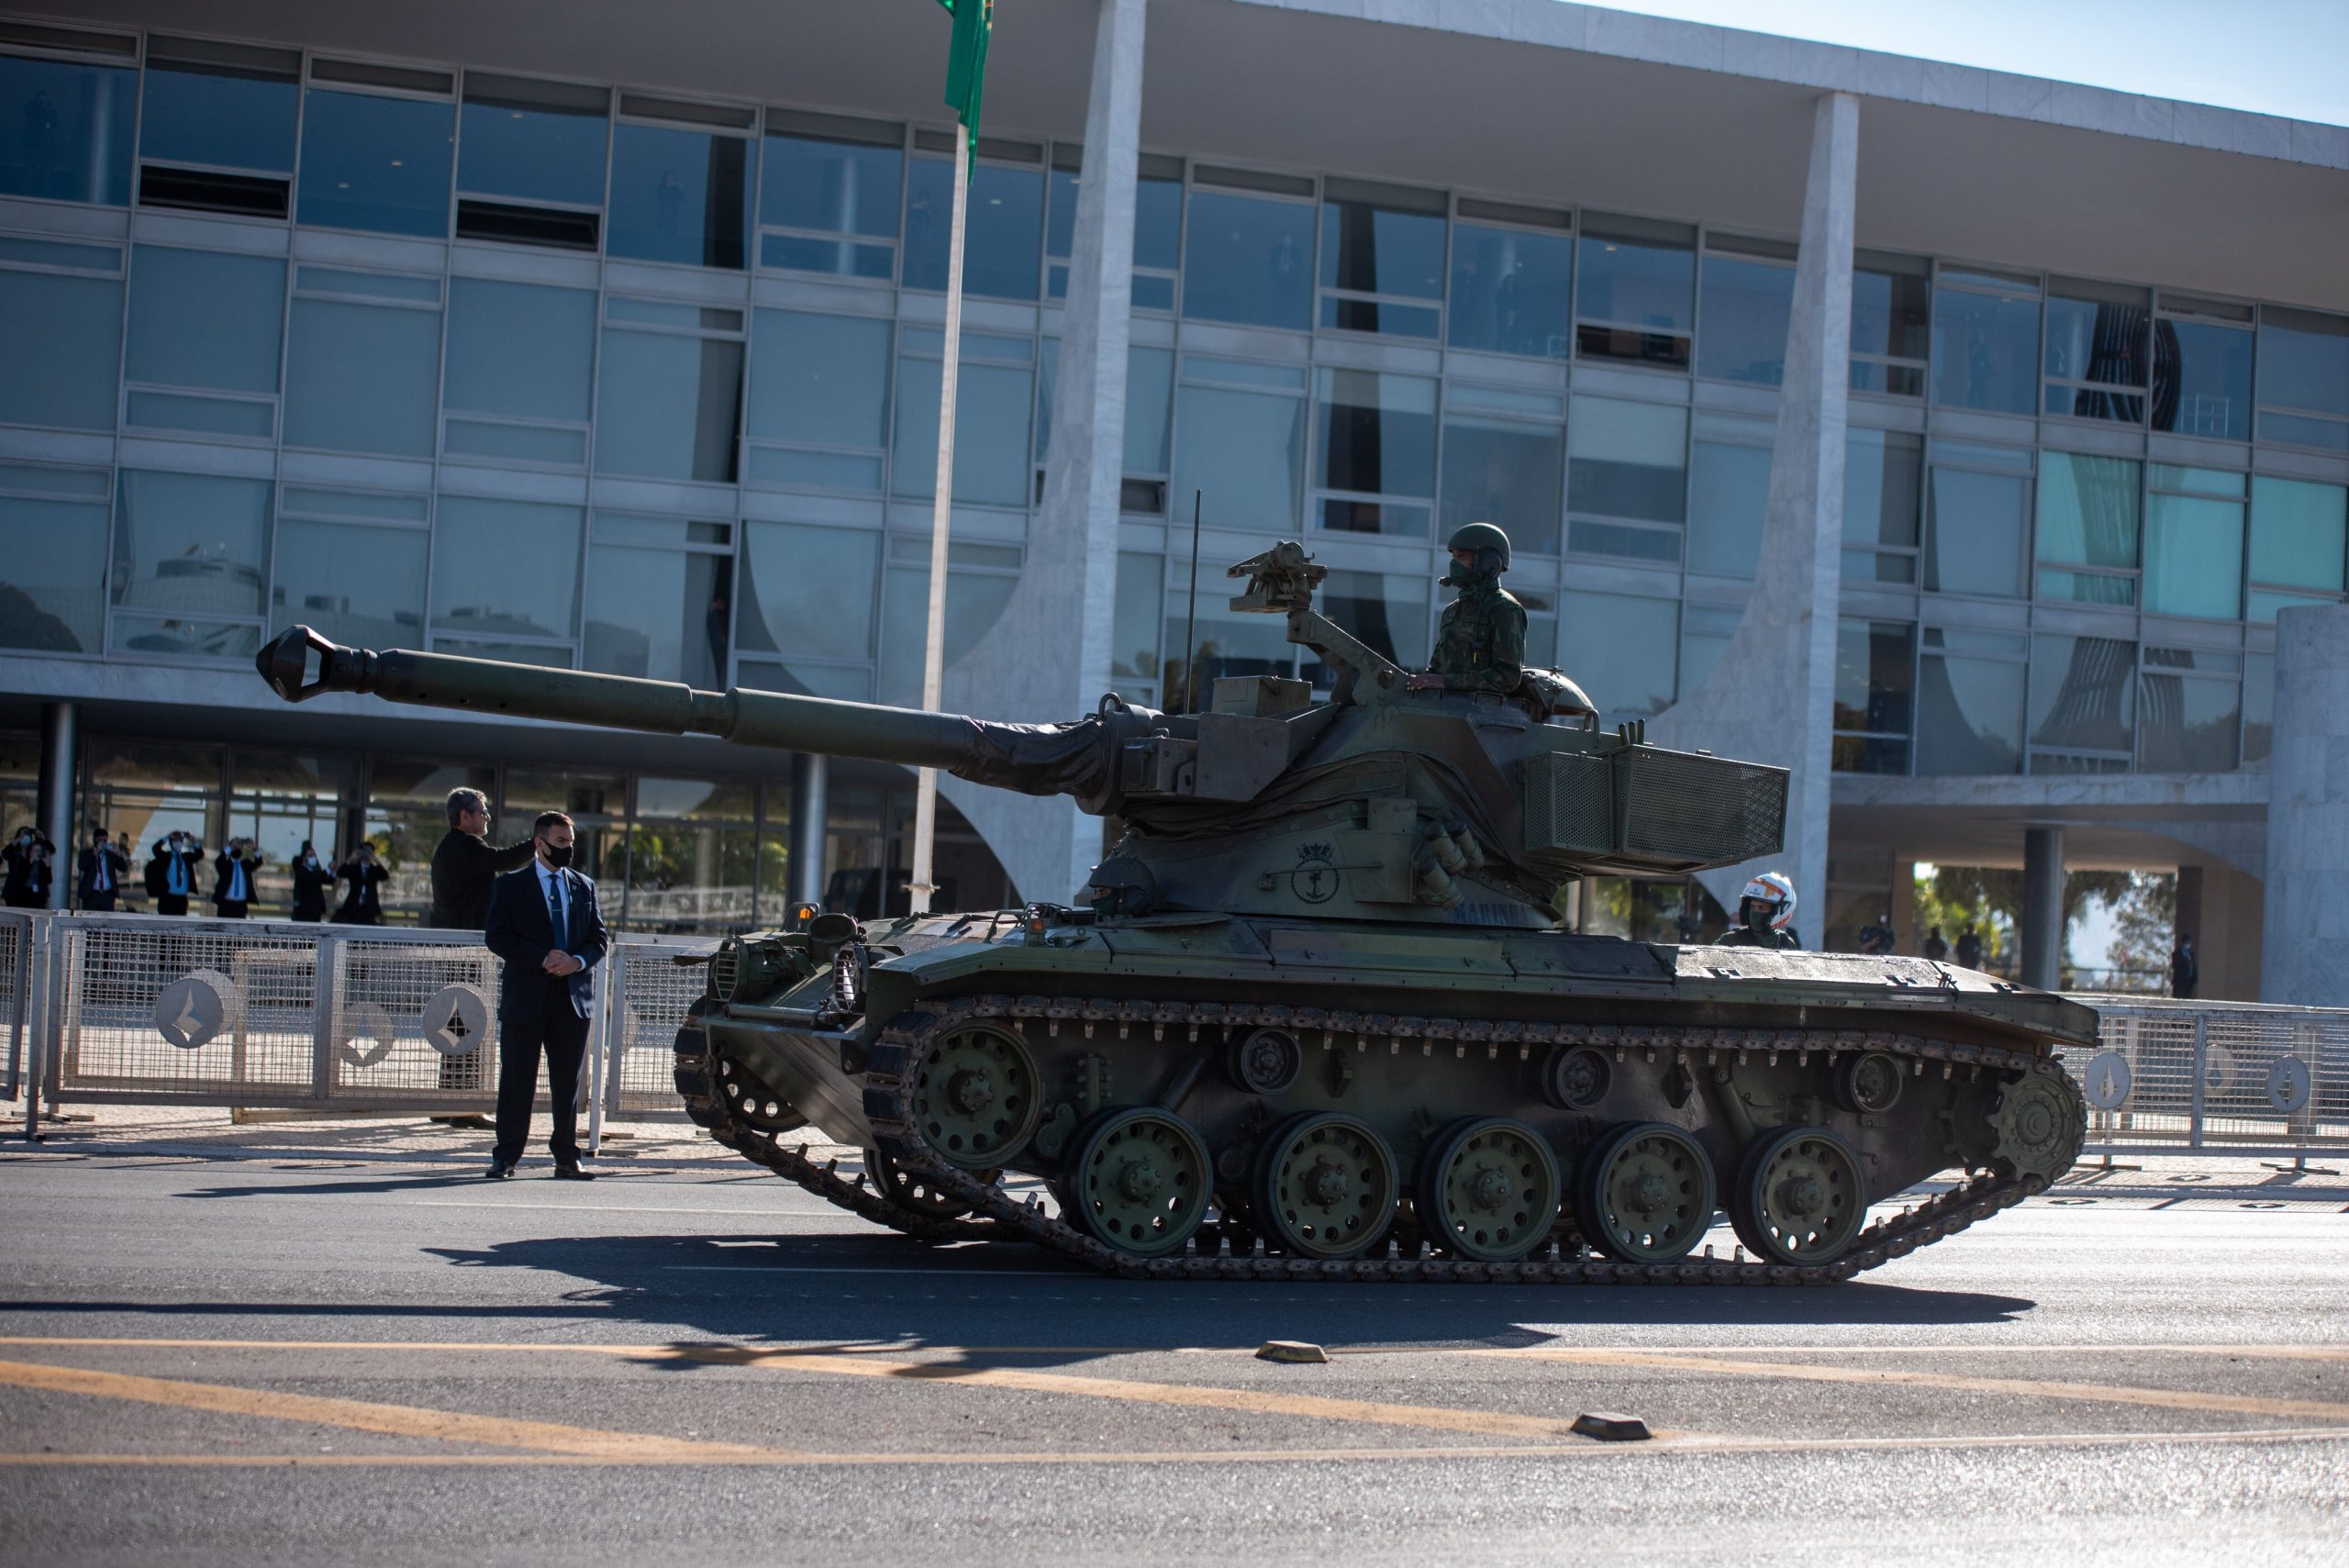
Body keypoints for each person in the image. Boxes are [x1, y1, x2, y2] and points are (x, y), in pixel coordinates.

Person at [481, 811, 608, 1180]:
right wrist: (541, 958)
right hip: (527, 997)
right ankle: (506, 1157)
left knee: (567, 1082)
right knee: (517, 1078)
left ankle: (567, 1157)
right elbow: (497, 936)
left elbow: (599, 938)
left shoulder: (584, 886)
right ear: (540, 844)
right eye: (561, 842)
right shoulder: (510, 886)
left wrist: (577, 961)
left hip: (572, 998)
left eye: (571, 842)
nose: (568, 849)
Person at [427, 788, 533, 1100]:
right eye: (482, 812)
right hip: (465, 951)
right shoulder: (465, 846)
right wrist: (537, 843)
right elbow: (504, 859)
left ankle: (455, 1097)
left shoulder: (451, 847)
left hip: (457, 949)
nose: (487, 817)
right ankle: (461, 1100)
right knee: (466, 1023)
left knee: (459, 1022)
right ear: (464, 817)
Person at [1406, 523, 1527, 697]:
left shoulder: (1505, 609)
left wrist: (1445, 682)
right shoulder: (1452, 609)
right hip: (1444, 710)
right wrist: (1423, 681)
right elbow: (1437, 670)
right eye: (1453, 557)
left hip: (1482, 717)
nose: (1453, 563)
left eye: (1461, 557)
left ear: (1487, 562)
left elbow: (1507, 677)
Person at [1718, 871, 1801, 950]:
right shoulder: (1730, 941)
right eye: (1752, 907)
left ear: (1777, 911)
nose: (1754, 912)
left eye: (1762, 908)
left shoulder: (1785, 943)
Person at [146, 831, 204, 917]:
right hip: (167, 898)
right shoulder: (165, 857)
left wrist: (193, 840)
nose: (179, 843)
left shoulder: (186, 857)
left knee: (180, 924)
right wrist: (167, 837)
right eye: (176, 841)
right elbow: (155, 849)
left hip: (182, 899)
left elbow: (199, 854)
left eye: (181, 841)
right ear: (171, 843)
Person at [332, 841, 389, 925]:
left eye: (369, 852)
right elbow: (341, 873)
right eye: (364, 851)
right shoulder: (354, 868)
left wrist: (377, 861)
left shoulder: (374, 869)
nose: (366, 854)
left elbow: (385, 876)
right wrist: (351, 859)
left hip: (370, 907)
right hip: (354, 906)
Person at [77, 827, 128, 912]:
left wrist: (118, 853)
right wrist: (95, 852)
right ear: (95, 839)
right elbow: (81, 866)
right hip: (92, 893)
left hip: (107, 894)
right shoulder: (87, 853)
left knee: (107, 920)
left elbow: (124, 868)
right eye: (100, 840)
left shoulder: (110, 854)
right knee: (90, 920)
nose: (103, 843)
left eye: (105, 840)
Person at [3, 826, 55, 908]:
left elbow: (51, 850)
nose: (25, 837)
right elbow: (5, 853)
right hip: (14, 891)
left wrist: (43, 838)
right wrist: (19, 838)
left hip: (33, 893)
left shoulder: (33, 852)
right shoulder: (14, 853)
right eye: (23, 834)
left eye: (27, 834)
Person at [211, 838, 262, 918]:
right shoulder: (225, 865)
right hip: (225, 905)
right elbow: (219, 861)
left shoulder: (246, 864)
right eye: (235, 846)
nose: (237, 848)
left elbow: (258, 862)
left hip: (240, 906)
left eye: (239, 846)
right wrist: (230, 847)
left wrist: (254, 849)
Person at [290, 840, 333, 922]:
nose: (313, 858)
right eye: (310, 855)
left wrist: (332, 872)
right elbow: (314, 878)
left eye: (314, 855)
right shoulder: (301, 870)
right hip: (304, 910)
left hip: (316, 910)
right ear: (304, 858)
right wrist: (328, 869)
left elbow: (326, 880)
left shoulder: (316, 870)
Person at [2172, 934, 2199, 1000]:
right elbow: (2175, 966)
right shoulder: (2177, 953)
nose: (2188, 943)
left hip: (2189, 981)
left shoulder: (2191, 953)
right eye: (2187, 942)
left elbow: (2193, 966)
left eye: (2189, 942)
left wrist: (2194, 977)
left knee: (2187, 999)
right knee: (2179, 999)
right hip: (2180, 981)